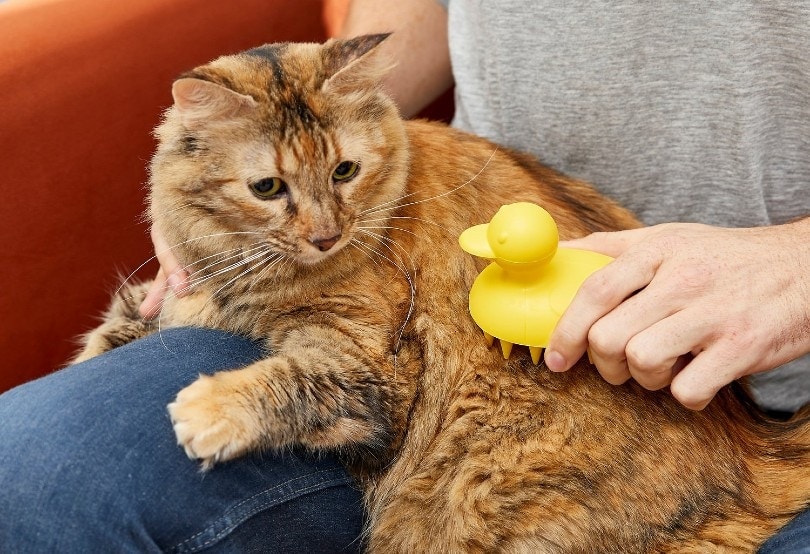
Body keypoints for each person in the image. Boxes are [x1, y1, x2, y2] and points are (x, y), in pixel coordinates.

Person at [1, 0, 808, 551]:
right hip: (450, 284)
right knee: (29, 471)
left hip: (760, 401)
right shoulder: (331, 201)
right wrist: (211, 189)